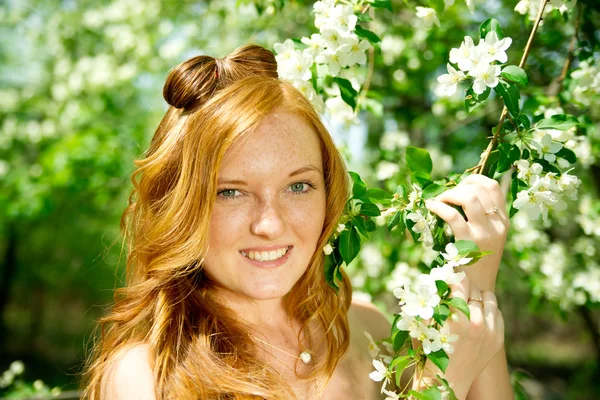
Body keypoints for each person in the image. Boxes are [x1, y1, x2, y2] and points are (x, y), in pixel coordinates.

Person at [81, 44, 513, 399]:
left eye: (299, 187)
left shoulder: (368, 328)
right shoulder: (147, 377)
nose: (270, 224)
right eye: (230, 192)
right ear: (181, 205)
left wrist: (475, 285)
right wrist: (441, 384)